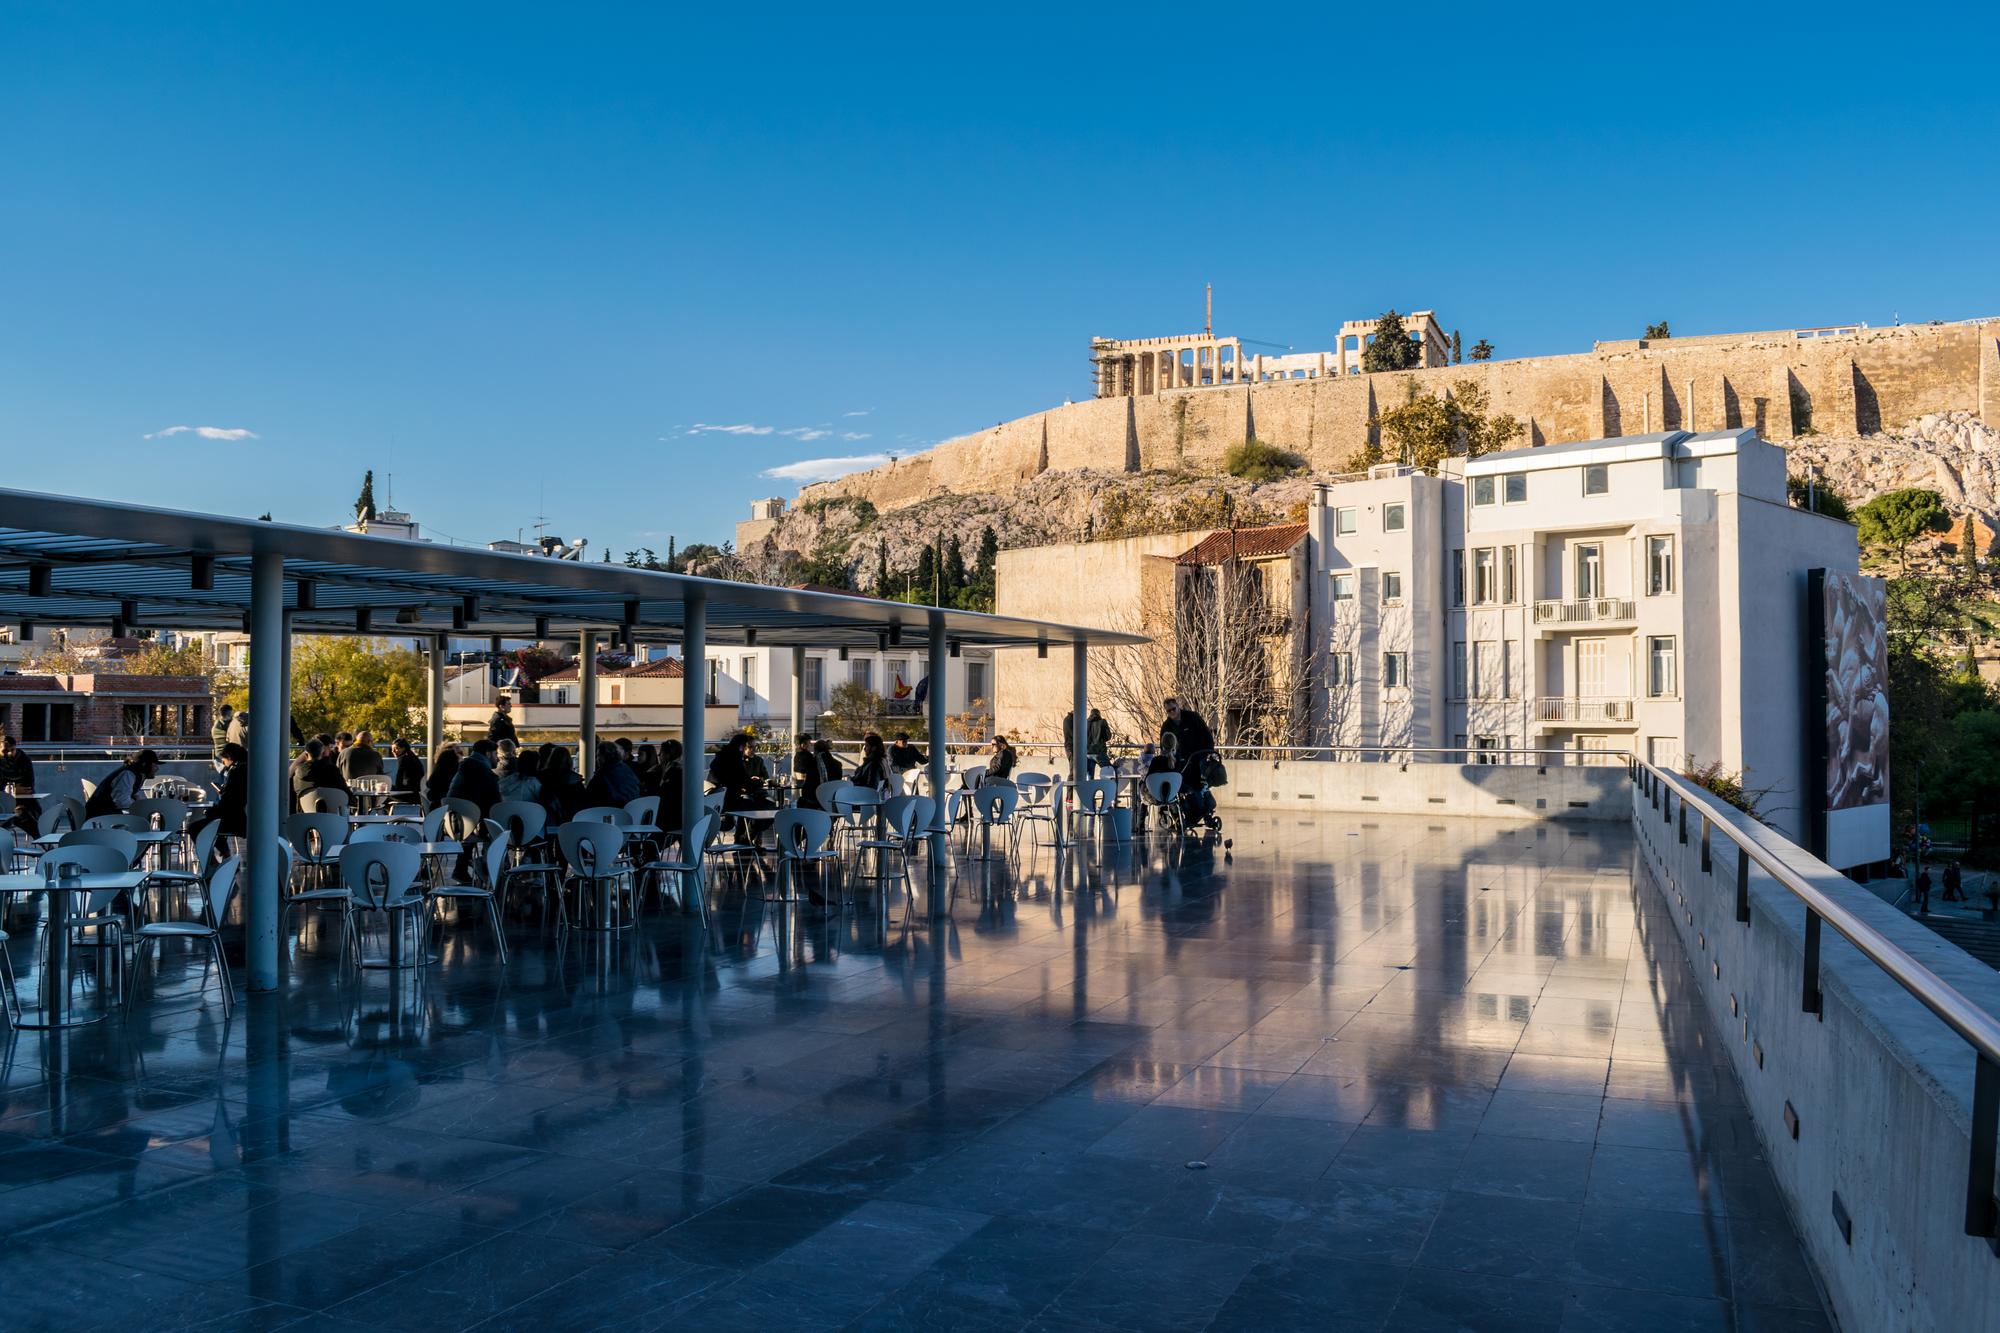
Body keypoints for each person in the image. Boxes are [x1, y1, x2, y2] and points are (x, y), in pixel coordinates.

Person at [1162, 697, 1219, 829]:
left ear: (1178, 706)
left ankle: (1205, 811)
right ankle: (1192, 813)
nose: (1172, 712)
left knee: (1201, 785)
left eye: (1173, 709)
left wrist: (1209, 751)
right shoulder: (1167, 726)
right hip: (1182, 763)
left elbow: (1206, 734)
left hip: (1198, 757)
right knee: (1188, 788)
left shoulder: (1193, 718)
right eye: (1169, 711)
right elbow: (1165, 745)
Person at [710, 732, 772, 843]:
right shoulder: (734, 759)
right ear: (742, 746)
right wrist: (758, 783)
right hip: (729, 802)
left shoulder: (722, 756)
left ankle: (742, 838)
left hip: (717, 803)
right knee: (768, 809)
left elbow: (738, 780)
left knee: (750, 805)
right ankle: (744, 839)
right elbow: (743, 781)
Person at [192, 742, 248, 845]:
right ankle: (224, 854)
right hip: (241, 820)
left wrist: (222, 793)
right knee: (214, 822)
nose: (223, 761)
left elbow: (228, 802)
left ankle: (213, 859)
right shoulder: (248, 770)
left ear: (229, 757)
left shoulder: (235, 772)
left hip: (233, 821)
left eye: (223, 759)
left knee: (194, 828)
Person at [87, 748, 161, 818]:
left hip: (104, 814)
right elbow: (121, 801)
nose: (157, 768)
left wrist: (134, 798)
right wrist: (139, 806)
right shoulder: (128, 774)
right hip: (102, 817)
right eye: (154, 765)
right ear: (144, 764)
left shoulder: (135, 773)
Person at [288, 738, 348, 812]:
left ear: (306, 755)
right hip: (333, 819)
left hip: (305, 818)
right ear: (322, 753)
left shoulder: (297, 773)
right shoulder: (332, 770)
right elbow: (346, 794)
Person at [448, 738, 502, 817]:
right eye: (495, 754)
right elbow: (496, 806)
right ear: (488, 754)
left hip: (455, 819)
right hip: (474, 820)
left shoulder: (463, 769)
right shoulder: (487, 775)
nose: (498, 758)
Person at [0, 733, 40, 832]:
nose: (9, 753)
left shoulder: (24, 760)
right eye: (5, 751)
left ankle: (41, 839)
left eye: (12, 750)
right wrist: (14, 789)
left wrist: (8, 789)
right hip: (2, 804)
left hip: (23, 803)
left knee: (23, 814)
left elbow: (28, 787)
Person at [586, 740, 641, 807]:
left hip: (610, 813)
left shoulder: (603, 773)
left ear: (603, 756)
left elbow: (588, 795)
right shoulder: (626, 769)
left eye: (598, 756)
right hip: (632, 811)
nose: (597, 759)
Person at [657, 739, 685, 836]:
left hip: (671, 818)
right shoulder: (683, 768)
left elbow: (664, 794)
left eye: (661, 752)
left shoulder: (673, 771)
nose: (659, 755)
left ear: (668, 755)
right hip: (680, 815)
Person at [425, 742, 461, 809]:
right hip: (447, 808)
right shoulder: (456, 773)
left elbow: (428, 783)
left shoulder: (438, 768)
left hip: (435, 808)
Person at [793, 735, 822, 807]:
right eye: (809, 743)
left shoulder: (796, 756)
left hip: (803, 789)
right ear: (803, 745)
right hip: (812, 791)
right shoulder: (809, 757)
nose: (811, 745)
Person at [1087, 708, 1113, 772]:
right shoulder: (1102, 722)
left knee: (1090, 776)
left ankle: (1090, 782)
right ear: (1099, 714)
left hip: (1088, 753)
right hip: (1099, 752)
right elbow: (1108, 737)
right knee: (1108, 772)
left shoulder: (1085, 722)